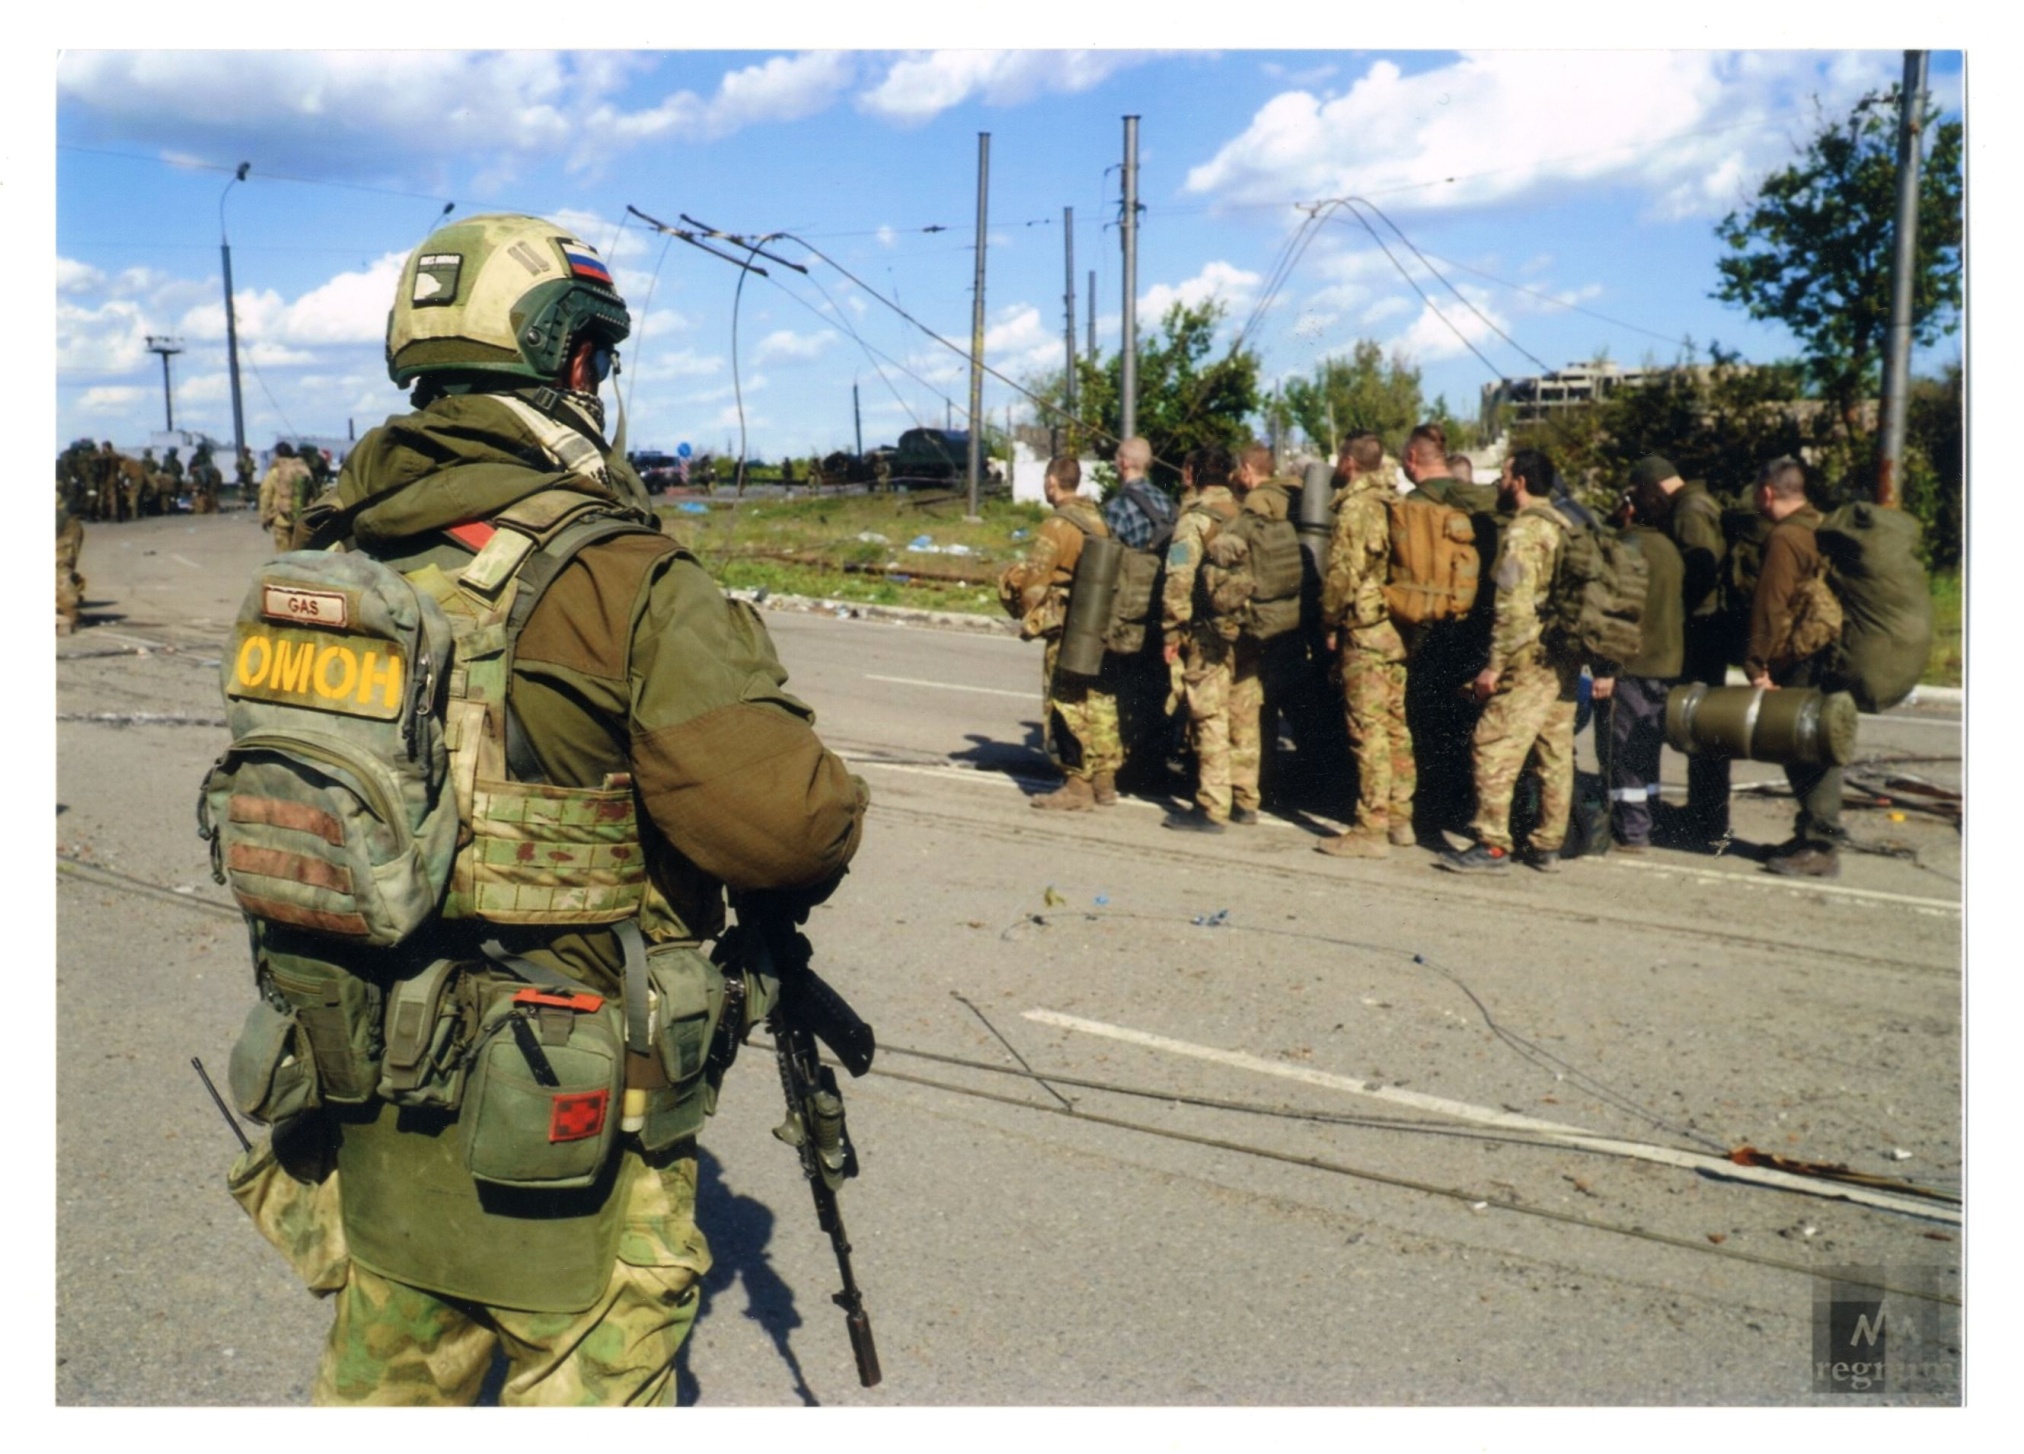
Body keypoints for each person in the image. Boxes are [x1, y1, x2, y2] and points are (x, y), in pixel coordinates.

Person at [216, 212, 872, 1406]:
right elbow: (791, 825)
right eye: (600, 358)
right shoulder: (619, 573)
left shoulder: (331, 556)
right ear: (572, 361)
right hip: (570, 1117)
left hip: (365, 1083)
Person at [1439, 448, 1581, 874]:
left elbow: (1513, 606)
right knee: (1553, 749)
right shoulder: (1564, 523)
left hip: (1529, 655)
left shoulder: (1524, 531)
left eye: (1504, 475)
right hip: (1563, 654)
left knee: (1492, 742)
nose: (1499, 482)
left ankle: (1493, 845)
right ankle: (1548, 844)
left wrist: (1496, 665)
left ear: (1519, 482)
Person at [999, 455, 1123, 810]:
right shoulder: (1099, 520)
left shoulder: (1056, 526)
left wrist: (1017, 592)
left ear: (1052, 481)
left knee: (1065, 703)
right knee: (1098, 702)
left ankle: (1076, 786)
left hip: (1066, 630)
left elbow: (1034, 586)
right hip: (1099, 626)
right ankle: (1104, 782)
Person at [1744, 456, 1844, 878]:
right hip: (1825, 652)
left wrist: (1756, 663)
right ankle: (1809, 836)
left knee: (1807, 746)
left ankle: (1821, 845)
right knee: (1810, 743)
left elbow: (1771, 603)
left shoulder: (1786, 537)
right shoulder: (1819, 525)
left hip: (1803, 657)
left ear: (1767, 492)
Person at [1315, 432, 1415, 857]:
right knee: (1394, 724)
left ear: (1349, 462)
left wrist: (1329, 620)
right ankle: (1399, 818)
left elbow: (1342, 575)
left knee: (1367, 728)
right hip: (1396, 629)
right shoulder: (1395, 500)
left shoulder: (1356, 507)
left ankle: (1370, 828)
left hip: (1365, 630)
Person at [1399, 424, 1499, 839]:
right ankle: (1466, 804)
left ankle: (1429, 811)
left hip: (1431, 633)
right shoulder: (1483, 500)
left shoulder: (1415, 504)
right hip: (1483, 632)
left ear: (1411, 459)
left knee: (1425, 724)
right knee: (1466, 724)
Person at [1159, 443, 1259, 832]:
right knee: (1244, 712)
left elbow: (1178, 578)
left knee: (1210, 713)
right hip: (1249, 627)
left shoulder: (1194, 521)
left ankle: (1212, 806)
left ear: (1191, 475)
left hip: (1211, 632)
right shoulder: (1244, 512)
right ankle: (1245, 799)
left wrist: (1172, 629)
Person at [1596, 473, 1687, 853]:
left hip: (1633, 663)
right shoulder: (1669, 548)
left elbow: (1617, 612)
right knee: (1647, 746)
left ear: (1631, 508)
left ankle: (1632, 830)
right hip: (1666, 663)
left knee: (1625, 751)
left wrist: (1606, 668)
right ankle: (1647, 818)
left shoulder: (1626, 546)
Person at [258, 442, 315, 551]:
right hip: (301, 520)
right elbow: (312, 494)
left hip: (281, 519)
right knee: (299, 553)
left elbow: (265, 494)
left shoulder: (275, 472)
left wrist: (264, 517)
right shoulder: (303, 470)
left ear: (277, 454)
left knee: (283, 555)